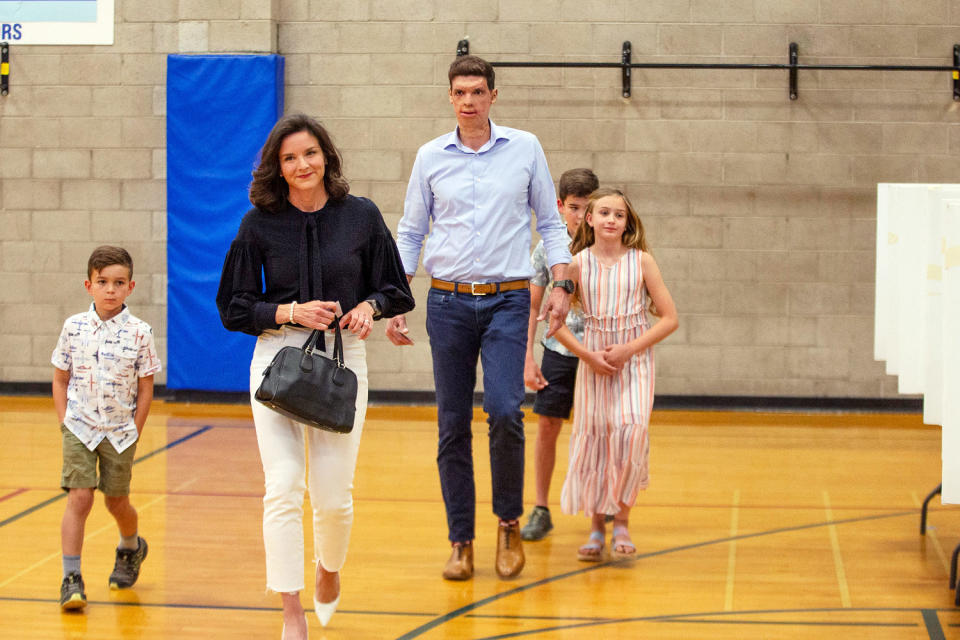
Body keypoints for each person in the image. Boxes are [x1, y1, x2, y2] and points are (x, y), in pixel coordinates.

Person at [216, 113, 414, 638]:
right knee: (282, 486)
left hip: (344, 362)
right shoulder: (256, 224)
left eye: (309, 153)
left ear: (325, 156)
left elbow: (396, 288)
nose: (302, 164)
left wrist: (370, 307)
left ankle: (329, 569)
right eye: (289, 158)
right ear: (277, 169)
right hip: (277, 358)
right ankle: (291, 610)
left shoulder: (362, 215)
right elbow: (233, 307)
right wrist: (288, 313)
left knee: (332, 497)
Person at [387, 55, 574, 581]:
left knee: (505, 411)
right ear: (450, 98)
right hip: (446, 303)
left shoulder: (525, 148)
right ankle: (461, 540)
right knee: (451, 424)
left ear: (493, 95)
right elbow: (410, 233)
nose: (468, 100)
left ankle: (509, 523)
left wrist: (562, 281)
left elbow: (552, 223)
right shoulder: (430, 157)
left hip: (509, 301)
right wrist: (396, 299)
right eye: (459, 92)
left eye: (477, 91)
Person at [552, 188, 678, 562]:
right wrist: (586, 356)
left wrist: (629, 349)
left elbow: (670, 319)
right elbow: (554, 323)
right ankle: (596, 527)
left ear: (627, 222)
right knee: (596, 438)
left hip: (634, 359)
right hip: (594, 359)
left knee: (632, 430)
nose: (611, 219)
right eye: (603, 212)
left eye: (618, 215)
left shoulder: (642, 262)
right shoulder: (576, 264)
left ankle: (622, 519)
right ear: (589, 219)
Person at [52, 245, 161, 612]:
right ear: (89, 285)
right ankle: (71, 577)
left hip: (119, 432)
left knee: (117, 501)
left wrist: (136, 427)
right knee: (79, 497)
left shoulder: (140, 333)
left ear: (131, 287)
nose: (110, 289)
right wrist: (64, 420)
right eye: (103, 282)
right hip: (79, 427)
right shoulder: (73, 328)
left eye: (118, 282)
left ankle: (131, 546)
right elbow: (60, 377)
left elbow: (146, 385)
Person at [521, 168, 599, 542]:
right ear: (560, 206)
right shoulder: (547, 249)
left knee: (600, 429)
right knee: (548, 427)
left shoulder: (608, 244)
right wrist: (527, 358)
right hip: (558, 351)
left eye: (589, 208)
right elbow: (531, 305)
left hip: (599, 354)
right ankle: (540, 506)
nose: (582, 216)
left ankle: (603, 507)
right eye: (574, 207)